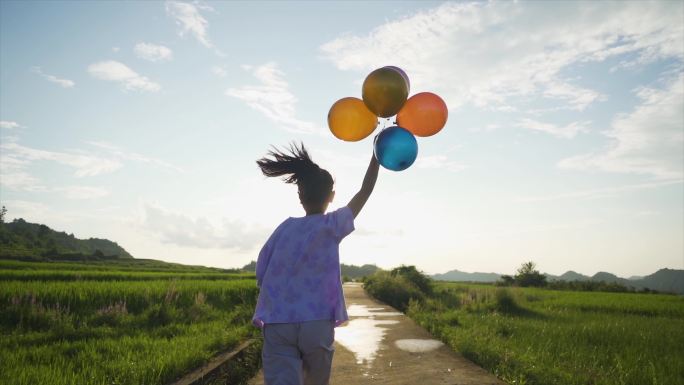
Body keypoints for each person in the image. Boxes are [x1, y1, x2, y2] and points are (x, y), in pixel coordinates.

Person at [253, 142, 379, 385]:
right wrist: (376, 156)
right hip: (317, 322)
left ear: (299, 195)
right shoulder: (332, 225)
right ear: (331, 197)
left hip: (279, 320)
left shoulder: (284, 228)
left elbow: (262, 270)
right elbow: (365, 191)